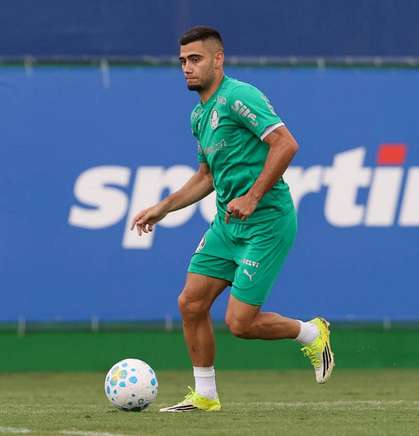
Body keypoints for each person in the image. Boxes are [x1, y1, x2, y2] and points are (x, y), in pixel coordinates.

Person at [130, 25, 334, 412]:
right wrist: (163, 207)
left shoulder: (239, 96)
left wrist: (253, 196)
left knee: (240, 324)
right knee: (191, 303)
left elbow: (286, 144)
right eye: (182, 61)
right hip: (227, 225)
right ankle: (205, 395)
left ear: (218, 59)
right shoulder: (198, 116)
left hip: (267, 222)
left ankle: (311, 333)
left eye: (195, 59)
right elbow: (206, 177)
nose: (187, 67)